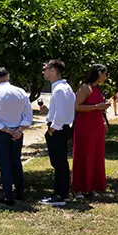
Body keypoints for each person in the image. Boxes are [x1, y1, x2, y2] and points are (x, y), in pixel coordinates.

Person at [0, 68, 33, 205]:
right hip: (18, 132)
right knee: (16, 162)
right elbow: (28, 115)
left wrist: (7, 130)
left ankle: (8, 194)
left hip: (1, 132)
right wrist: (19, 129)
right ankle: (20, 192)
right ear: (8, 76)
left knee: (4, 163)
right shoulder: (21, 92)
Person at [38, 60, 76, 207]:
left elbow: (60, 114)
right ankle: (61, 192)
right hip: (62, 128)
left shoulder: (59, 89)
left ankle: (60, 195)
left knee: (59, 163)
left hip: (58, 130)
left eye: (45, 69)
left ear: (53, 70)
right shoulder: (65, 87)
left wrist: (52, 129)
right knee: (60, 163)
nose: (43, 72)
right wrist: (49, 112)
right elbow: (62, 110)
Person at [71, 64, 110, 197]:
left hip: (96, 126)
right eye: (105, 74)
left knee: (95, 155)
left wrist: (103, 121)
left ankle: (91, 186)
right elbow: (77, 107)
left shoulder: (97, 88)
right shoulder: (85, 88)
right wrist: (97, 106)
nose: (106, 77)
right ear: (99, 74)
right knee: (84, 154)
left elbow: (98, 108)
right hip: (85, 126)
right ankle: (79, 188)